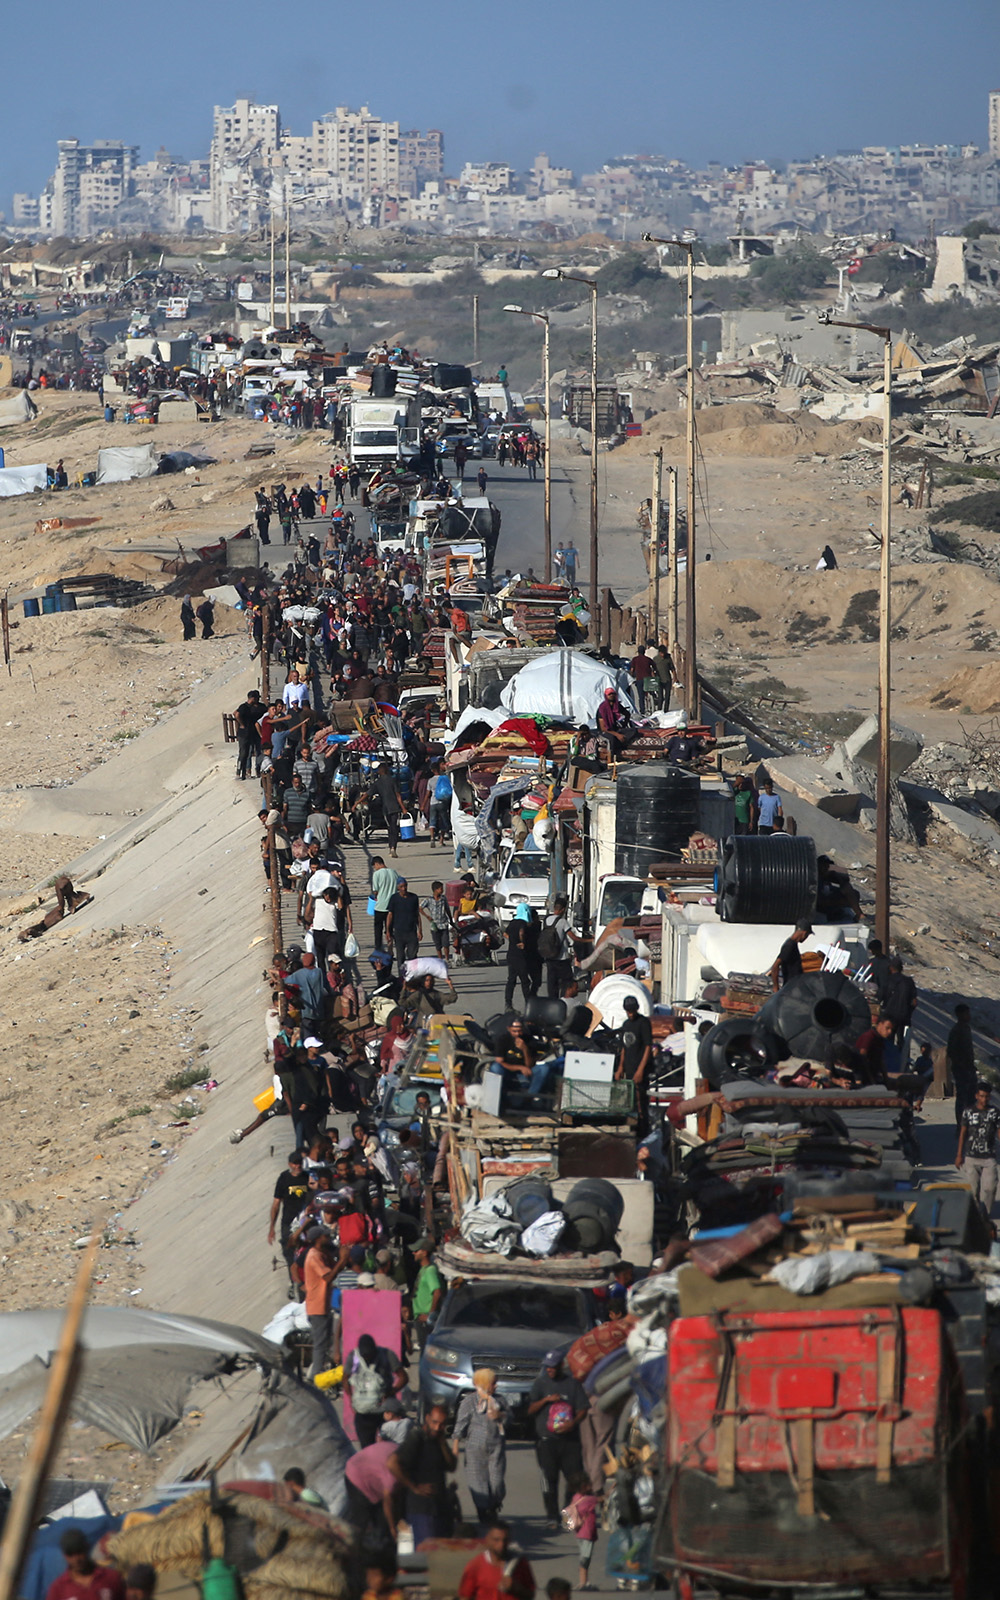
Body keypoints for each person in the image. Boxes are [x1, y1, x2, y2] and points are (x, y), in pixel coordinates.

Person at [527, 1351, 589, 1529]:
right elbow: (530, 1409)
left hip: (570, 1442)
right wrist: (546, 1400)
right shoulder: (540, 1384)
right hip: (546, 1441)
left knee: (574, 1479)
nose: (550, 1370)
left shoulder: (572, 1384)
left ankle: (568, 1513)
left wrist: (573, 1423)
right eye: (547, 1367)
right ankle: (552, 1516)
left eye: (553, 1367)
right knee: (549, 1478)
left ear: (561, 1366)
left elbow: (583, 1408)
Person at [388, 1402, 457, 1547]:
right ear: (427, 1418)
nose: (437, 1427)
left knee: (440, 1552)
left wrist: (443, 1442)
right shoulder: (417, 1437)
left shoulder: (438, 1440)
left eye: (442, 1424)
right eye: (434, 1422)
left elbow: (451, 1466)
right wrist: (414, 1487)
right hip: (422, 1509)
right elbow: (392, 1463)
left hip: (439, 1507)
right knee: (427, 1552)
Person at [453, 1368, 508, 1527]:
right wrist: (456, 1446)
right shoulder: (470, 1401)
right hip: (474, 1448)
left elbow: (510, 1418)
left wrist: (501, 1416)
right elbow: (460, 1424)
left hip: (496, 1447)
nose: (496, 1386)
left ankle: (495, 1503)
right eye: (493, 1383)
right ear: (484, 1384)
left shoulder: (500, 1401)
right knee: (478, 1481)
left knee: (496, 1481)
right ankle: (484, 1512)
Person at [346, 1333, 407, 1447]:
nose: (368, 1358)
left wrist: (391, 1392)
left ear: (375, 1349)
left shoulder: (387, 1355)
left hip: (385, 1411)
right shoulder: (354, 1357)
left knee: (389, 1447)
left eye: (370, 1355)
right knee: (367, 1448)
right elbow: (345, 1379)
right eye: (365, 1356)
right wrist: (352, 1399)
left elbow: (403, 1377)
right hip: (364, 1412)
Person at [956, 1082, 1000, 1220]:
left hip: (989, 1157)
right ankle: (976, 1216)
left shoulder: (995, 1113)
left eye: (987, 1097)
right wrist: (959, 1155)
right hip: (971, 1157)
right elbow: (963, 1133)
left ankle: (985, 1215)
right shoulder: (968, 1112)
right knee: (973, 1190)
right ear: (976, 1096)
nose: (984, 1099)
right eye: (981, 1096)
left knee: (990, 1188)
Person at [345, 1438, 400, 1546]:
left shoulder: (403, 1452)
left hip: (372, 1471)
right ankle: (360, 1553)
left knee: (381, 1521)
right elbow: (388, 1502)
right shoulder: (393, 1476)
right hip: (356, 1475)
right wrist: (392, 1528)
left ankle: (381, 1547)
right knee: (362, 1522)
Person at [458, 1524, 535, 1600]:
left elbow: (531, 1595)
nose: (501, 1544)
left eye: (505, 1540)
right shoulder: (475, 1565)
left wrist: (516, 1588)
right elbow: (465, 1596)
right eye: (496, 1540)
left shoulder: (520, 1563)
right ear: (487, 1540)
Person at [46, 1528, 125, 1600]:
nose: (76, 1559)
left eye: (79, 1552)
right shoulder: (58, 1589)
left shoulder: (111, 1577)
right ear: (65, 1556)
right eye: (70, 1554)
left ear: (86, 1549)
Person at [615, 993, 652, 1134]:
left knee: (641, 1102)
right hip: (629, 1068)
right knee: (629, 1102)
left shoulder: (643, 1023)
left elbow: (648, 1046)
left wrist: (640, 1070)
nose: (630, 1014)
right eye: (628, 1011)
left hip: (640, 1069)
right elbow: (624, 1047)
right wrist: (620, 1068)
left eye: (632, 1011)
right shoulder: (626, 1025)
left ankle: (644, 1131)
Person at [304, 1228, 337, 1380]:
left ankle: (321, 1375)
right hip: (317, 1307)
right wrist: (342, 1260)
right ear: (318, 1238)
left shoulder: (321, 1254)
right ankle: (315, 1378)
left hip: (323, 1306)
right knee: (320, 1346)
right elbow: (328, 1276)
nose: (327, 1237)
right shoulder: (313, 1257)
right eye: (325, 1236)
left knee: (325, 1343)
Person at [563, 1473, 600, 1592]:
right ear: (583, 1486)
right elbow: (600, 1499)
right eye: (588, 1484)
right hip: (587, 1533)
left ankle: (583, 1582)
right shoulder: (589, 1500)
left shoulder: (576, 1497)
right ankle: (583, 1583)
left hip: (579, 1532)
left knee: (584, 1556)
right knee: (585, 1558)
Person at [538, 895, 576, 1000]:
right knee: (567, 983)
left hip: (549, 957)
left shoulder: (546, 920)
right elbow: (572, 938)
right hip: (562, 958)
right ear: (563, 909)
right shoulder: (562, 921)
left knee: (552, 984)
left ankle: (552, 1004)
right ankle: (564, 1003)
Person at [411, 1236, 444, 1351]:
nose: (413, 1253)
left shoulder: (430, 1271)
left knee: (426, 1353)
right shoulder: (423, 1269)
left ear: (424, 1253)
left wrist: (430, 1314)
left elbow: (437, 1292)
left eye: (416, 1251)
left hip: (425, 1320)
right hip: (420, 1318)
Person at [881, 956, 918, 1053]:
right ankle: (901, 1060)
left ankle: (889, 1059)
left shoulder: (888, 980)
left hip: (890, 1016)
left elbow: (880, 996)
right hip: (903, 1017)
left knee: (888, 1039)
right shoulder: (909, 981)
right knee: (902, 1040)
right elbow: (914, 1002)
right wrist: (908, 1012)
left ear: (891, 968)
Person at [948, 1003, 977, 1126]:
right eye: (966, 1013)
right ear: (960, 1015)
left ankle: (970, 1123)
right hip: (961, 1069)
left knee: (971, 1097)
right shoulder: (956, 1030)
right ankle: (960, 1124)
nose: (968, 1016)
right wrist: (960, 1065)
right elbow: (952, 1051)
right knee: (962, 1098)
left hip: (969, 1068)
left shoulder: (966, 1028)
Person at [504, 904, 539, 1008]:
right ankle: (528, 1004)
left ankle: (508, 1003)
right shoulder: (523, 923)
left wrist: (512, 940)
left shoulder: (512, 922)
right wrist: (522, 941)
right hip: (520, 956)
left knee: (511, 980)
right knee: (525, 981)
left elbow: (505, 934)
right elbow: (521, 932)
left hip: (511, 954)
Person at [387, 878, 423, 972]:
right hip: (399, 932)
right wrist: (388, 931)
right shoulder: (394, 898)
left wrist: (420, 930)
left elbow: (417, 915)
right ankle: (401, 977)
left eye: (405, 886)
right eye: (401, 886)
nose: (404, 888)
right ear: (398, 888)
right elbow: (390, 915)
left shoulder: (414, 897)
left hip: (411, 932)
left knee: (412, 955)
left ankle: (413, 975)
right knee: (400, 956)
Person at [771, 919, 812, 990]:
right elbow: (775, 966)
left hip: (794, 987)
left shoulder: (792, 944)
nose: (806, 938)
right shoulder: (789, 946)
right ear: (804, 933)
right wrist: (776, 987)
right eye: (807, 935)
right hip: (791, 988)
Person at [234, 689, 263, 781]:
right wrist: (242, 724)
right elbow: (236, 714)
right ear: (253, 698)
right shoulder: (244, 707)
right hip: (244, 734)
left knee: (251, 752)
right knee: (243, 753)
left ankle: (247, 772)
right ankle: (239, 772)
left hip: (251, 733)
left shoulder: (255, 707)